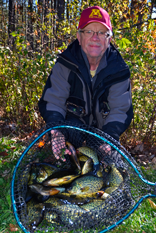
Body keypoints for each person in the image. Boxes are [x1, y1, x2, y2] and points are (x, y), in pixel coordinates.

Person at [38, 6, 133, 161]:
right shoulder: (65, 63)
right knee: (60, 156)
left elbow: (120, 110)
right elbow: (53, 101)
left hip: (103, 131)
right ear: (79, 36)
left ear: (109, 38)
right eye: (89, 31)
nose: (95, 37)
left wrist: (109, 139)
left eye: (101, 33)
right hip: (71, 126)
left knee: (110, 163)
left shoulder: (119, 70)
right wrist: (56, 132)